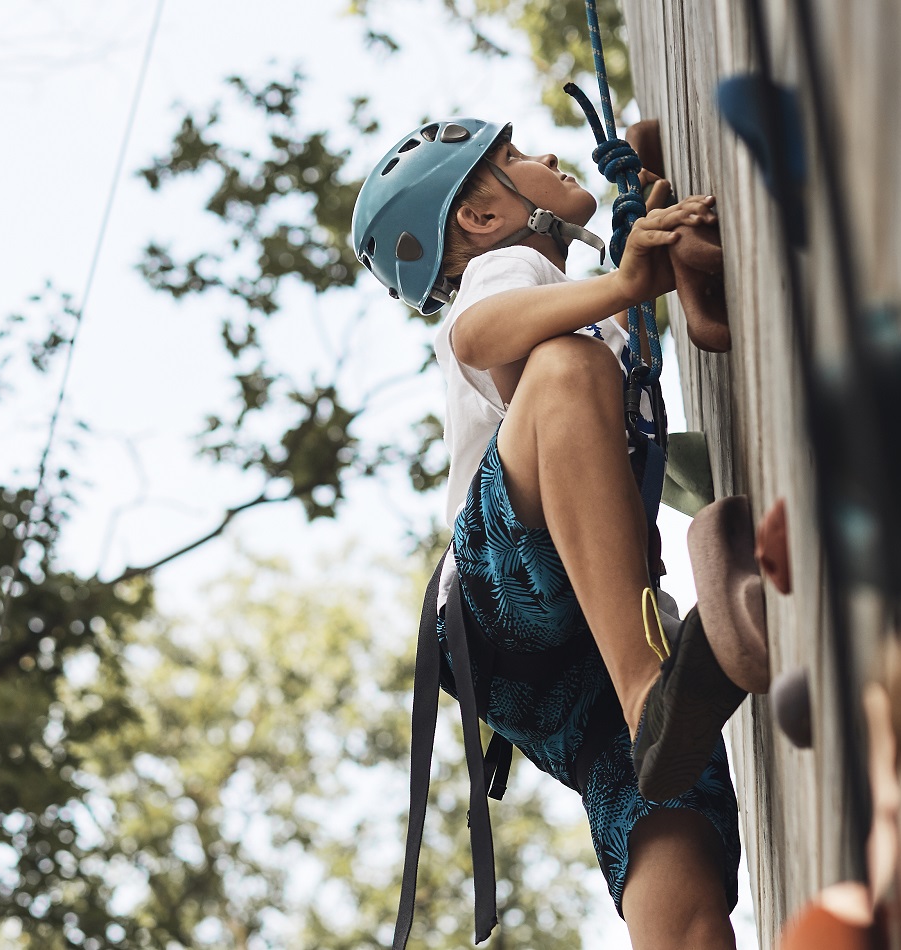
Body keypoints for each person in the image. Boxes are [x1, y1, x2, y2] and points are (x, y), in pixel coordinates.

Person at [353, 118, 746, 949]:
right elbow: (480, 334)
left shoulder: (583, 299)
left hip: (549, 657)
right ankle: (650, 696)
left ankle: (655, 717)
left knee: (671, 823)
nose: (548, 159)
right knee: (567, 369)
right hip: (508, 588)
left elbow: (698, 333)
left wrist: (656, 248)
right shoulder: (509, 270)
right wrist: (630, 282)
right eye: (518, 160)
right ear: (481, 220)